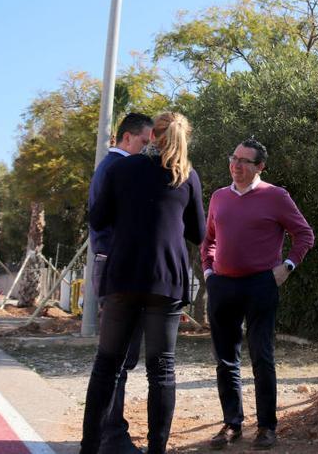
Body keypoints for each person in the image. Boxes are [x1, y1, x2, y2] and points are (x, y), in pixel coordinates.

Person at [81, 112, 206, 454]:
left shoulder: (122, 169)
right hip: (166, 278)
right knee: (161, 368)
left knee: (107, 364)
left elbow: (98, 217)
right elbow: (199, 232)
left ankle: (89, 448)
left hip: (123, 273)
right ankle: (156, 450)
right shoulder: (187, 176)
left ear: (152, 135)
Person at [201, 138, 314, 450]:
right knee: (225, 360)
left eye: (245, 161)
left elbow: (304, 234)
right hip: (222, 285)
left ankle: (266, 427)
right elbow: (208, 239)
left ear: (260, 167)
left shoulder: (275, 196)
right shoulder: (219, 197)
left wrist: (287, 266)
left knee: (262, 357)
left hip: (260, 286)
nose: (236, 165)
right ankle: (231, 424)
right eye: (234, 158)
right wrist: (208, 271)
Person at [87, 112, 153, 454]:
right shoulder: (117, 168)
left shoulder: (113, 167)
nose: (147, 149)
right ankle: (111, 437)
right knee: (116, 359)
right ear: (127, 138)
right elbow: (100, 221)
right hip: (117, 268)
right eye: (144, 142)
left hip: (113, 266)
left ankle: (104, 435)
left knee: (117, 360)